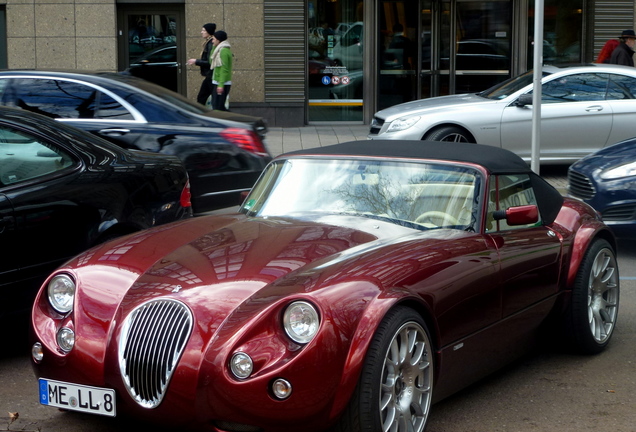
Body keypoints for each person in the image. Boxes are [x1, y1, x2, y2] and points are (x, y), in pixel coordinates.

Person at [187, 23, 216, 105]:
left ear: (209, 32)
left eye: (203, 30)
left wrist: (196, 61)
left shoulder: (210, 44)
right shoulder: (208, 42)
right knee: (204, 97)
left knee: (202, 97)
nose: (201, 32)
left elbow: (210, 62)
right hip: (210, 75)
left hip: (211, 75)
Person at [209, 30, 233, 111]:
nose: (212, 41)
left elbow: (224, 69)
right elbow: (211, 61)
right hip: (217, 81)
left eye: (214, 39)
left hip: (222, 82)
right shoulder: (218, 50)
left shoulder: (224, 51)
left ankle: (233, 121)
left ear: (218, 40)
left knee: (218, 107)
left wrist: (221, 85)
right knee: (216, 105)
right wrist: (214, 47)